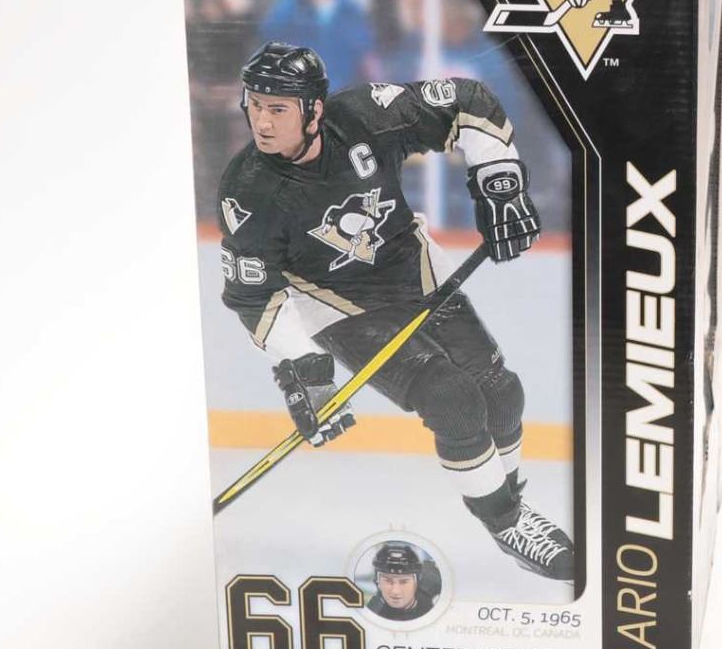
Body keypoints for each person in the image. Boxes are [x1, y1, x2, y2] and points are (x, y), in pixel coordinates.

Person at [216, 41, 573, 581]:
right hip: (337, 304)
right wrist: (303, 366)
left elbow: (469, 101)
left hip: (415, 271)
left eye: (278, 108)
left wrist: (499, 186)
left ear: (314, 109)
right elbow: (252, 295)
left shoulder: (364, 116)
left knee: (502, 392)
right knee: (452, 400)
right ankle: (506, 523)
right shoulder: (247, 190)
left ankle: (511, 502)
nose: (261, 122)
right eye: (255, 104)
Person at [365, 541, 437, 622]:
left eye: (404, 582)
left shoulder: (433, 595)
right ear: (377, 582)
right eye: (388, 581)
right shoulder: (373, 611)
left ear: (417, 582)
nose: (395, 591)